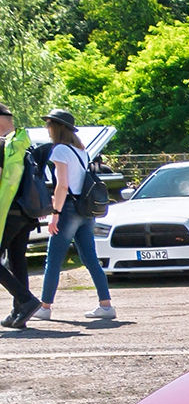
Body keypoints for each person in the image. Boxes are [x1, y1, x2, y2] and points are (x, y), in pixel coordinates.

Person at [36, 109, 114, 322]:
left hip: (68, 209)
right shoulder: (81, 150)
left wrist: (55, 213)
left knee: (53, 260)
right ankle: (105, 304)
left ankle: (45, 306)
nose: (47, 128)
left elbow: (62, 185)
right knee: (90, 258)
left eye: (49, 124)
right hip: (85, 210)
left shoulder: (60, 150)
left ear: (56, 127)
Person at [0, 103, 45, 329]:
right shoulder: (23, 143)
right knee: (17, 260)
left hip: (7, 212)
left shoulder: (2, 146)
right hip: (27, 212)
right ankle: (20, 312)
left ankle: (26, 301)